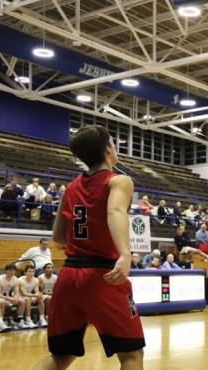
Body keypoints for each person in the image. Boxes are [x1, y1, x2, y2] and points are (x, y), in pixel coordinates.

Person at [33, 124, 144, 370]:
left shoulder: (71, 187)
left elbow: (59, 236)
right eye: (114, 143)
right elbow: (115, 210)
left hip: (68, 276)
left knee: (61, 357)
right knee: (132, 355)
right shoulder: (119, 180)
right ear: (107, 149)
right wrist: (125, 254)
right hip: (102, 276)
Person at [0, 264, 27, 329]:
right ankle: (1, 322)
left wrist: (16, 298)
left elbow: (16, 292)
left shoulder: (16, 279)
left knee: (22, 301)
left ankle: (19, 321)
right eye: (10, 270)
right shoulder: (0, 279)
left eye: (14, 270)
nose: (12, 272)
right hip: (1, 297)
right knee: (2, 302)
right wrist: (8, 298)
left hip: (8, 297)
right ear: (6, 271)